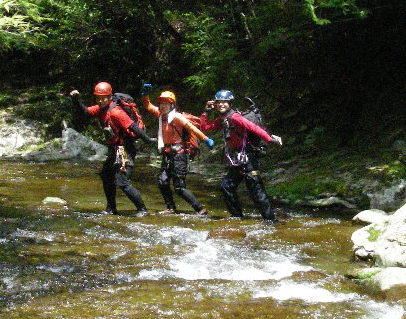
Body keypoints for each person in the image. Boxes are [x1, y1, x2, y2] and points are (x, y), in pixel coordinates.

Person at [70, 82, 153, 216]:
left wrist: (148, 140)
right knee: (106, 175)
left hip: (124, 149)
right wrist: (76, 100)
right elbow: (85, 112)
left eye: (104, 98)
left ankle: (142, 209)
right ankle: (111, 208)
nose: (101, 101)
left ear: (109, 97)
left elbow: (133, 127)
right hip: (115, 149)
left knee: (122, 182)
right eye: (98, 98)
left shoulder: (116, 112)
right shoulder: (100, 109)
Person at [198, 89, 283, 221]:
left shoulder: (235, 117)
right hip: (238, 158)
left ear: (230, 104)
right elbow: (205, 128)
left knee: (255, 190)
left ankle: (271, 221)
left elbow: (253, 128)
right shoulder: (221, 120)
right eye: (218, 102)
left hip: (249, 155)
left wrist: (269, 139)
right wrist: (206, 111)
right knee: (226, 186)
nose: (221, 105)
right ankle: (237, 217)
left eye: (224, 102)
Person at [140, 84, 216, 215]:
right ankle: (171, 208)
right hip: (167, 154)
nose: (163, 106)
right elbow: (147, 105)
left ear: (172, 105)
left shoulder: (177, 117)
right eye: (161, 103)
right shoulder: (160, 115)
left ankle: (200, 209)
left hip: (179, 155)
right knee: (162, 182)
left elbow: (192, 128)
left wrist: (205, 139)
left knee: (179, 187)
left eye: (166, 103)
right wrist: (145, 94)